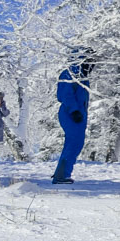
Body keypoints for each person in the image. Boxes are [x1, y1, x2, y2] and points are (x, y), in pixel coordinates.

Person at [51, 56, 93, 184]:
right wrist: (73, 110)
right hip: (71, 113)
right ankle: (61, 176)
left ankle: (62, 173)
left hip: (78, 113)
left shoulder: (82, 75)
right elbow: (66, 94)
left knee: (76, 144)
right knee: (73, 143)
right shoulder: (70, 74)